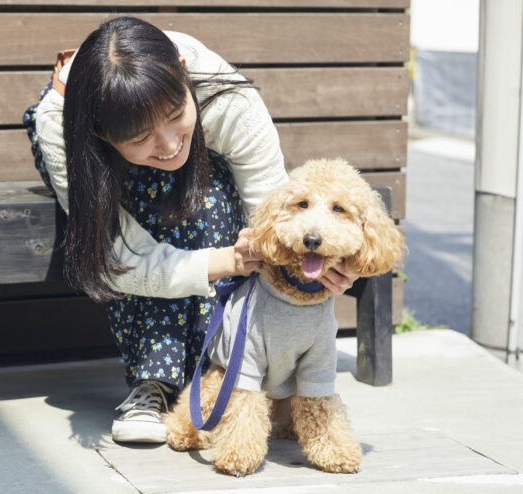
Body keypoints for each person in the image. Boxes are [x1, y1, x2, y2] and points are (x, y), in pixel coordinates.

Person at [22, 16, 356, 443]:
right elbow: (119, 257)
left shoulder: (227, 97)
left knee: (205, 191)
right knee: (157, 190)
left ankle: (212, 370)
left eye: (177, 114)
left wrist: (313, 267)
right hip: (101, 169)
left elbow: (271, 212)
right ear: (102, 133)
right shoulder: (64, 130)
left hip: (202, 171)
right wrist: (226, 261)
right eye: (142, 137)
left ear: (183, 72)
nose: (167, 143)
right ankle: (156, 381)